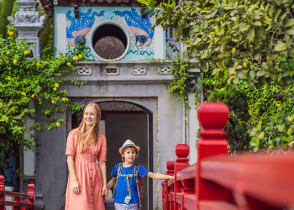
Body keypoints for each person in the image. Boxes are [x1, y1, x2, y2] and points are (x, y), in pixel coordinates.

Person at [106, 139, 174, 210]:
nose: (131, 155)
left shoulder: (138, 168)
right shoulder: (118, 167)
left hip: (133, 203)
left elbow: (153, 175)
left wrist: (169, 177)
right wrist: (106, 187)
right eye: (128, 152)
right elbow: (113, 180)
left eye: (133, 152)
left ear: (136, 154)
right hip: (119, 202)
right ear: (123, 154)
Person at [65, 103, 108, 210]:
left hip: (96, 178)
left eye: (92, 114)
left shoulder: (101, 138)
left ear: (97, 117)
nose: (88, 117)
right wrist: (74, 180)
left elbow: (102, 162)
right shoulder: (74, 134)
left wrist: (104, 184)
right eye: (86, 114)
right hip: (79, 177)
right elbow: (69, 158)